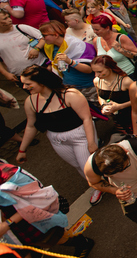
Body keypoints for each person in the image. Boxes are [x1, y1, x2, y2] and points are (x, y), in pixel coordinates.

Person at [17, 65, 100, 204]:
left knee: (87, 166)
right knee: (78, 165)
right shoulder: (31, 101)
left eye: (28, 84)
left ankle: (101, 185)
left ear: (41, 82)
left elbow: (87, 118)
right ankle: (97, 185)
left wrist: (91, 142)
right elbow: (31, 126)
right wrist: (22, 150)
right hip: (56, 139)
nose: (24, 87)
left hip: (79, 135)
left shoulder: (70, 95)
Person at [0, 161, 94, 258]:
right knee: (31, 241)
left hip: (28, 212)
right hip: (15, 214)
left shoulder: (10, 176)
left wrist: (7, 223)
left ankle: (82, 243)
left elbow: (35, 202)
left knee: (49, 235)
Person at [40, 20, 97, 103]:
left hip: (87, 87)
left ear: (55, 35)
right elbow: (53, 63)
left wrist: (70, 61)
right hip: (68, 86)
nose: (42, 38)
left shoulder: (78, 46)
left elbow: (89, 69)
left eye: (44, 35)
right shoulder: (51, 47)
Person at [0, 8, 46, 82]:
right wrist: (6, 74)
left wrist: (37, 48)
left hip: (41, 66)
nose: (10, 19)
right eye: (5, 19)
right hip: (21, 75)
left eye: (9, 16)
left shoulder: (21, 28)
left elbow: (43, 38)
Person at [92, 55, 134, 135]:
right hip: (112, 120)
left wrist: (120, 106)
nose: (96, 75)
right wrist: (104, 105)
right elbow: (99, 96)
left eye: (100, 72)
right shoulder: (97, 81)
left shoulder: (126, 81)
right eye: (94, 72)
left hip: (129, 117)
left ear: (109, 68)